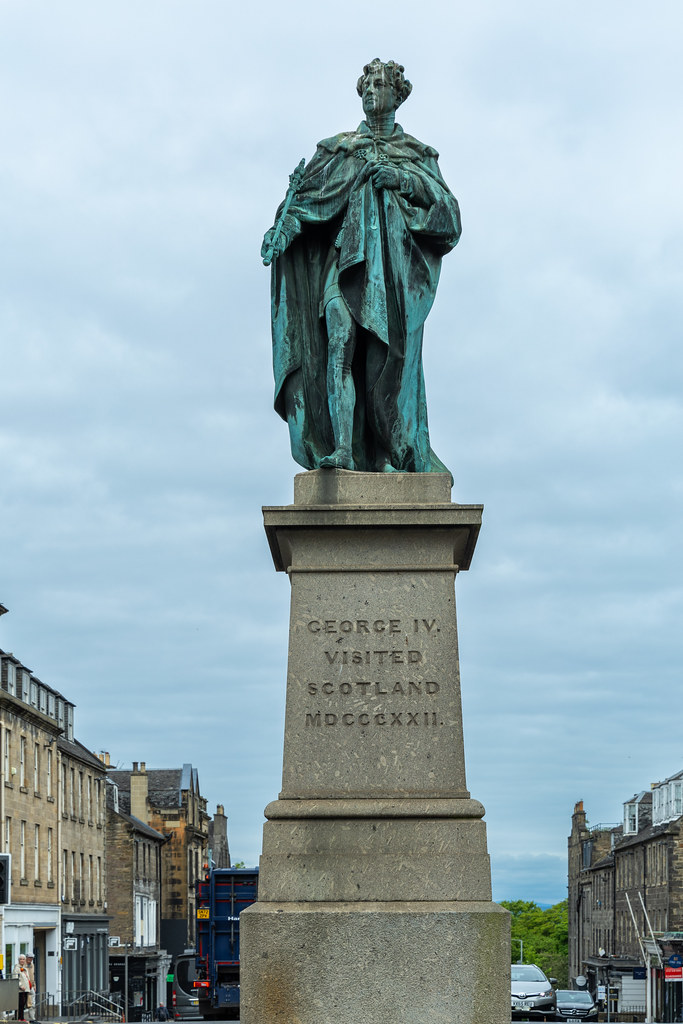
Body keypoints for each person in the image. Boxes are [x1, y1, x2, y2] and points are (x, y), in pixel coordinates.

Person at [262, 59, 461, 479]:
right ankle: (343, 450)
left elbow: (449, 218)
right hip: (342, 262)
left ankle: (388, 450)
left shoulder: (417, 156)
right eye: (366, 83)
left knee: (379, 364)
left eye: (380, 83)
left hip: (387, 279)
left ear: (397, 94)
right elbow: (306, 203)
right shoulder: (338, 150)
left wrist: (404, 181)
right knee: (338, 345)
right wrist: (284, 230)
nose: (371, 90)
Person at [13, 954, 32, 1021]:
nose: (22, 960)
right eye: (21, 959)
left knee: (24, 1004)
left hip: (26, 989)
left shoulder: (25, 967)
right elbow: (15, 978)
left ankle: (22, 1017)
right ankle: (20, 1018)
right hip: (21, 990)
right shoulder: (17, 968)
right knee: (20, 1004)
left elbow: (27, 978)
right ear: (18, 960)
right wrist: (20, 986)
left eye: (23, 959)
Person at [25, 956, 36, 1022]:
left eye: (32, 958)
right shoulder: (23, 966)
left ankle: (32, 1017)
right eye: (29, 958)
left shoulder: (32, 965)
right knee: (22, 1002)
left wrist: (34, 984)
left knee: (32, 1002)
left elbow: (32, 975)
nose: (30, 959)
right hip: (24, 986)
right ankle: (19, 1017)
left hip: (30, 986)